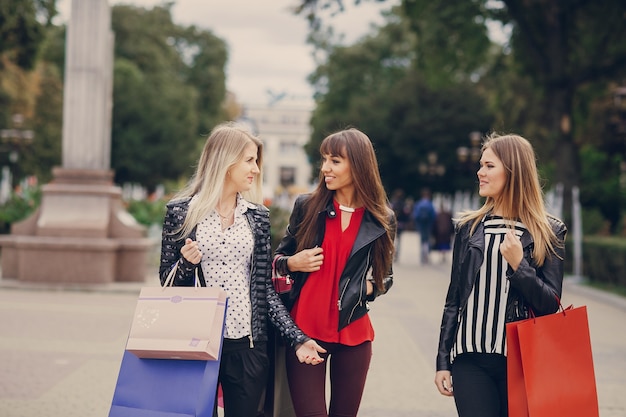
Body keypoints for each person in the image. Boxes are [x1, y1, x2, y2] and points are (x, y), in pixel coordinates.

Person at [158, 122, 324, 417]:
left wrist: (297, 338)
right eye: (249, 160)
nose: (256, 169)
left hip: (247, 344)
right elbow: (167, 284)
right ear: (226, 161)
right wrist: (185, 263)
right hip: (197, 342)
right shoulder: (182, 212)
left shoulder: (257, 217)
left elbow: (264, 289)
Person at [434, 133, 567, 417]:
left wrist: (521, 267)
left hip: (520, 360)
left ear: (513, 170)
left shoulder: (549, 232)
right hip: (468, 358)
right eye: (481, 165)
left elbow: (550, 305)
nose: (479, 172)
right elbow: (454, 299)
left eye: (489, 166)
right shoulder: (469, 229)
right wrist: (443, 360)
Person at [273, 128, 395, 417]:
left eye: (335, 160)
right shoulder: (306, 206)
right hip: (305, 333)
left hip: (354, 335)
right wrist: (292, 263)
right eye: (325, 159)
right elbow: (276, 259)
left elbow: (385, 277)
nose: (326, 168)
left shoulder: (382, 218)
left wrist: (365, 288)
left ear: (359, 164)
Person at [412, 188, 436, 264]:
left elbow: (415, 215)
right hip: (428, 224)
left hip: (421, 224)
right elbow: (433, 215)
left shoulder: (419, 204)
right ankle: (427, 254)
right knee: (428, 239)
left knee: (422, 239)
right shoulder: (430, 204)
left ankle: (422, 255)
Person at [390, 189, 412, 261]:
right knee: (399, 239)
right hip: (401, 224)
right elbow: (407, 214)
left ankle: (393, 252)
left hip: (393, 223)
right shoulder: (404, 204)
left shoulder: (393, 203)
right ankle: (397, 253)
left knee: (393, 239)